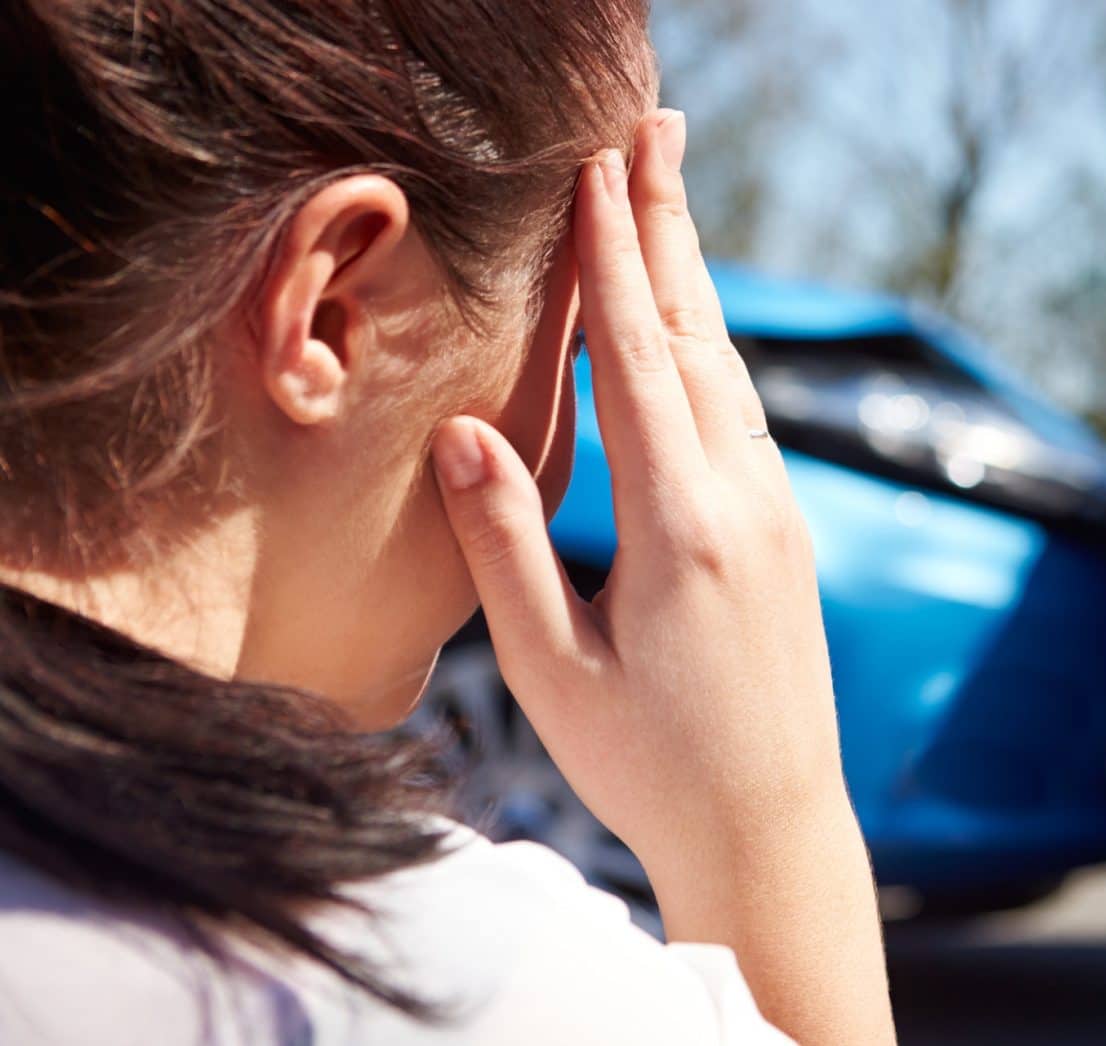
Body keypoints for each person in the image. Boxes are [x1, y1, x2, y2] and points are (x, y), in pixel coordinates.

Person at [0, 1, 895, 1043]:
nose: (561, 459)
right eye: (571, 351)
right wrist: (772, 827)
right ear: (335, 310)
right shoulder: (434, 984)